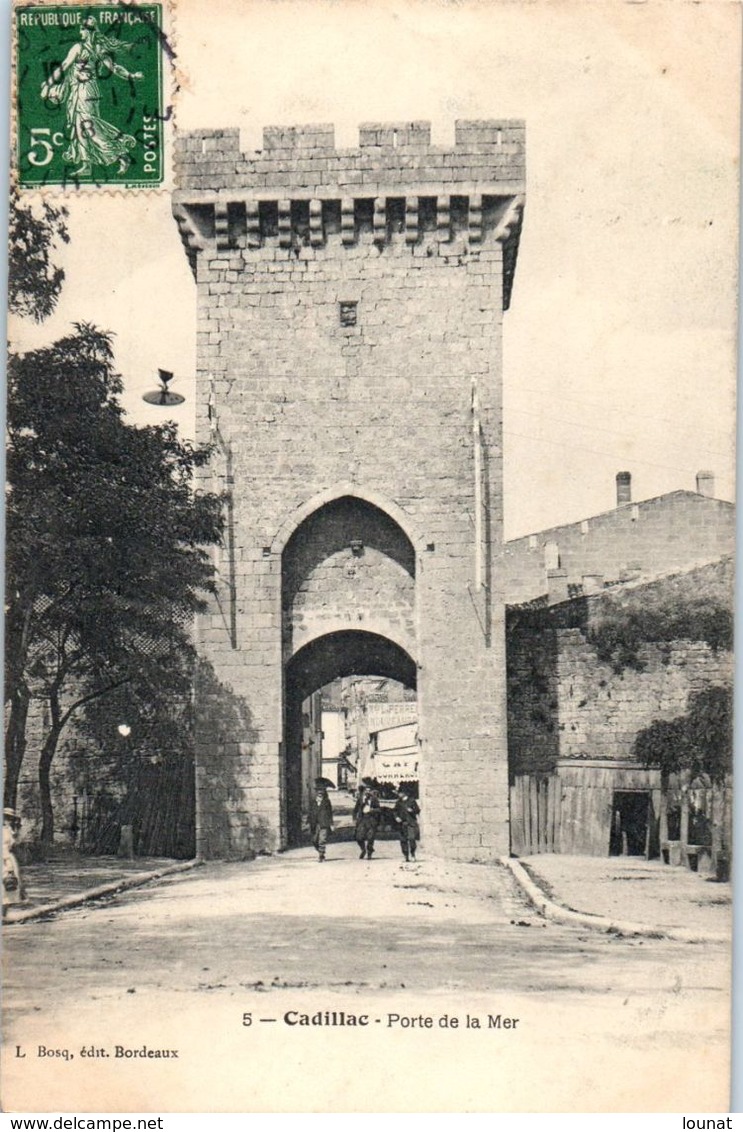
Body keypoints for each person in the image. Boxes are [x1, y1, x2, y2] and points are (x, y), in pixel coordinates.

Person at [40, 15, 143, 177]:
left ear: (89, 32)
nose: (80, 31)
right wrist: (131, 76)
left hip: (85, 91)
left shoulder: (80, 48)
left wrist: (48, 83)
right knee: (80, 127)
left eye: (82, 29)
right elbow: (114, 68)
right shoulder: (97, 49)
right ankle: (87, 165)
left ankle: (121, 154)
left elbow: (66, 65)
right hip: (83, 92)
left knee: (89, 126)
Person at [3, 808, 26, 913]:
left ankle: (4, 913)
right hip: (3, 858)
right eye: (5, 817)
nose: (8, 820)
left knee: (11, 883)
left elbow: (16, 844)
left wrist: (18, 830)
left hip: (9, 857)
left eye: (10, 818)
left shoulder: (8, 829)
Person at [307, 782, 333, 862]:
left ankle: (321, 855)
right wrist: (308, 821)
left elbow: (330, 813)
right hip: (315, 824)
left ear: (324, 792)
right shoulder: (313, 802)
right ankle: (321, 852)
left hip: (324, 823)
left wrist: (331, 823)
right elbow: (310, 812)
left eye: (322, 791)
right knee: (314, 840)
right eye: (318, 791)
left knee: (322, 840)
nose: (320, 793)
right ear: (316, 793)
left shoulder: (327, 802)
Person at [353, 786, 381, 860]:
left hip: (371, 821)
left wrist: (372, 810)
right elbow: (355, 809)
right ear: (364, 791)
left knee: (370, 838)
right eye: (366, 790)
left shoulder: (374, 799)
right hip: (362, 820)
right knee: (359, 837)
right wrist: (354, 819)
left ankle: (369, 853)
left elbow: (379, 809)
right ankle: (363, 849)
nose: (368, 792)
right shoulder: (360, 799)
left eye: (369, 790)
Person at [394, 787, 421, 862]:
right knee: (403, 840)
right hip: (402, 823)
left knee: (412, 839)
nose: (399, 794)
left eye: (400, 793)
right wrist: (396, 817)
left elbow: (418, 810)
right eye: (398, 793)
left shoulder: (412, 801)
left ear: (404, 793)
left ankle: (412, 853)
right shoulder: (398, 802)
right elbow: (395, 811)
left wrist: (412, 810)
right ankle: (406, 855)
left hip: (410, 823)